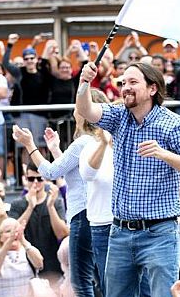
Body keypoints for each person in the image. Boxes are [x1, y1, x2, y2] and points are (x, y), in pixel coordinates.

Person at [76, 61, 180, 296]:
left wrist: (162, 153)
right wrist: (84, 83)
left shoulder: (174, 124)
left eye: (133, 82)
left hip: (160, 233)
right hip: (120, 232)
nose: (125, 87)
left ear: (152, 89)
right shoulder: (118, 116)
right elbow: (86, 111)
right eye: (123, 83)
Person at [11, 89, 110, 296]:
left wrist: (30, 145)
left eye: (78, 105)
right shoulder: (100, 141)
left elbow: (50, 171)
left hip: (82, 216)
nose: (75, 110)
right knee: (103, 278)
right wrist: (55, 149)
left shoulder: (83, 141)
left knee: (81, 280)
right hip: (100, 215)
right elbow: (75, 173)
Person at [7, 163, 68, 282]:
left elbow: (62, 233)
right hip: (24, 268)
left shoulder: (56, 202)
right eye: (31, 179)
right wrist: (30, 207)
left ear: (45, 179)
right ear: (25, 179)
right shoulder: (17, 204)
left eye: (39, 178)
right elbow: (11, 233)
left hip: (52, 268)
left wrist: (50, 207)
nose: (35, 182)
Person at [77, 110, 115, 293]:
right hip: (102, 224)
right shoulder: (91, 146)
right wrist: (104, 144)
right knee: (109, 286)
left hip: (133, 224)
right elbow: (87, 174)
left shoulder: (136, 144)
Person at [0, 217, 44, 297]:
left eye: (16, 231)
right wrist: (8, 242)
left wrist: (23, 240)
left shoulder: (27, 250)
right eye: (8, 231)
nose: (13, 234)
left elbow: (39, 264)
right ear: (0, 237)